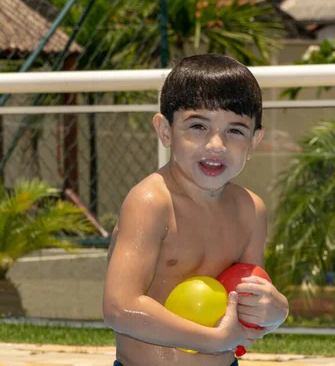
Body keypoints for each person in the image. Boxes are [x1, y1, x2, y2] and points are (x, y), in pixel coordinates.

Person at [102, 54, 289, 366]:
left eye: (235, 130)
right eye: (198, 126)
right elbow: (119, 307)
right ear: (165, 131)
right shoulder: (151, 202)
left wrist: (276, 310)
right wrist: (215, 340)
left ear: (255, 141)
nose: (216, 144)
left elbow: (245, 302)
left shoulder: (250, 211)